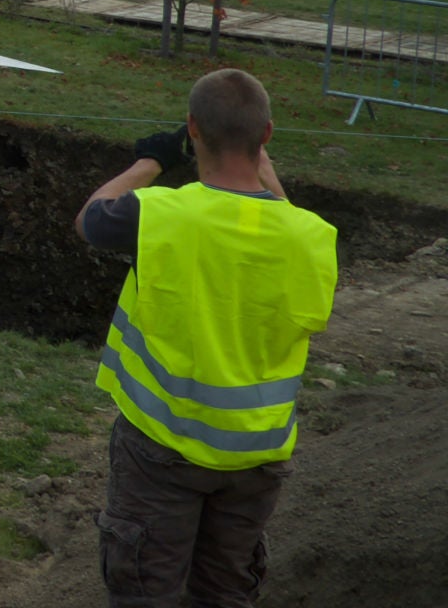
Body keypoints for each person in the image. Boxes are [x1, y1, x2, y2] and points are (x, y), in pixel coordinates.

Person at [76, 69, 337, 608]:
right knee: (225, 595)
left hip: (161, 449)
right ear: (267, 135)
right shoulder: (311, 237)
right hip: (256, 458)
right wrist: (267, 175)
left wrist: (149, 161)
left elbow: (90, 221)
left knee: (146, 592)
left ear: (192, 129)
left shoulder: (160, 214)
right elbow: (290, 223)